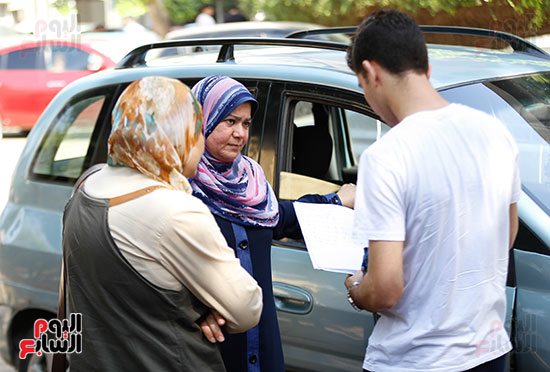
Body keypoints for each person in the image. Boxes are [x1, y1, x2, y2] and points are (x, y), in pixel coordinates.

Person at [344, 10, 520, 372]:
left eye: (362, 86)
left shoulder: (386, 155)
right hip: (488, 352)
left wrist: (357, 287)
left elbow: (385, 289)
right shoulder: (494, 132)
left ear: (372, 73)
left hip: (414, 360)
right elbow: (507, 233)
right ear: (424, 66)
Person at [62, 76, 263, 371]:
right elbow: (247, 308)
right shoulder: (177, 210)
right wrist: (207, 309)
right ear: (174, 137)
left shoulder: (85, 187)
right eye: (195, 130)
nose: (199, 141)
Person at [189, 75, 355, 372]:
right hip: (210, 346)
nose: (240, 133)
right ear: (202, 119)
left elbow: (279, 218)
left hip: (262, 345)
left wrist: (336, 201)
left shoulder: (251, 180)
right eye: (229, 121)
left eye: (246, 124)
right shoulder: (180, 189)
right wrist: (189, 311)